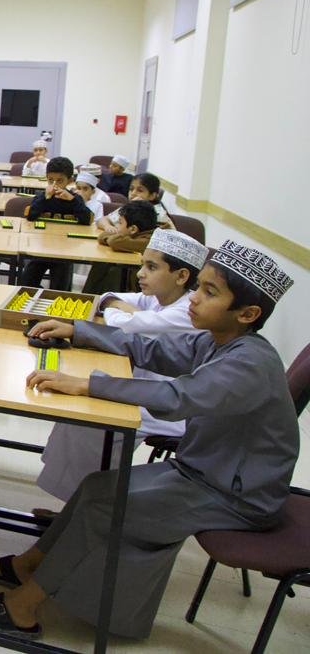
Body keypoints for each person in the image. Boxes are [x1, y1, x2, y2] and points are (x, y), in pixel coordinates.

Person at [0, 240, 296, 641]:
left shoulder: (249, 363)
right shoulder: (216, 341)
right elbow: (150, 348)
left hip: (236, 496)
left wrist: (87, 384)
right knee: (96, 487)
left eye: (209, 292)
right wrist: (79, 330)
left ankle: (23, 607)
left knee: (105, 510)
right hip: (203, 472)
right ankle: (30, 564)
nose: (195, 299)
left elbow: (176, 398)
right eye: (199, 287)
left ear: (248, 314)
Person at [37, 230, 206, 503]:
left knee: (91, 417)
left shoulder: (186, 312)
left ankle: (87, 505)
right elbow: (106, 296)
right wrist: (125, 310)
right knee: (79, 411)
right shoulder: (158, 298)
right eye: (142, 265)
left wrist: (126, 314)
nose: (140, 274)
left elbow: (124, 326)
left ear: (182, 276)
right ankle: (75, 503)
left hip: (167, 406)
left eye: (151, 267)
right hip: (142, 385)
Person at [18, 157, 94, 288]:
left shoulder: (75, 199)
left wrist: (72, 200)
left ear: (70, 180)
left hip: (65, 250)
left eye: (60, 181)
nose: (54, 184)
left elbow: (87, 220)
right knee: (27, 282)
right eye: (50, 180)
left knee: (60, 286)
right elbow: (30, 216)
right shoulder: (42, 197)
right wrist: (45, 197)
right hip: (42, 247)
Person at [82, 200, 158, 294]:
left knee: (112, 269)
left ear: (133, 229)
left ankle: (93, 297)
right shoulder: (135, 235)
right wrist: (113, 236)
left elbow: (115, 242)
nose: (117, 226)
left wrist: (112, 237)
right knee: (103, 264)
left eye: (120, 223)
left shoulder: (149, 241)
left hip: (142, 289)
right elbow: (102, 236)